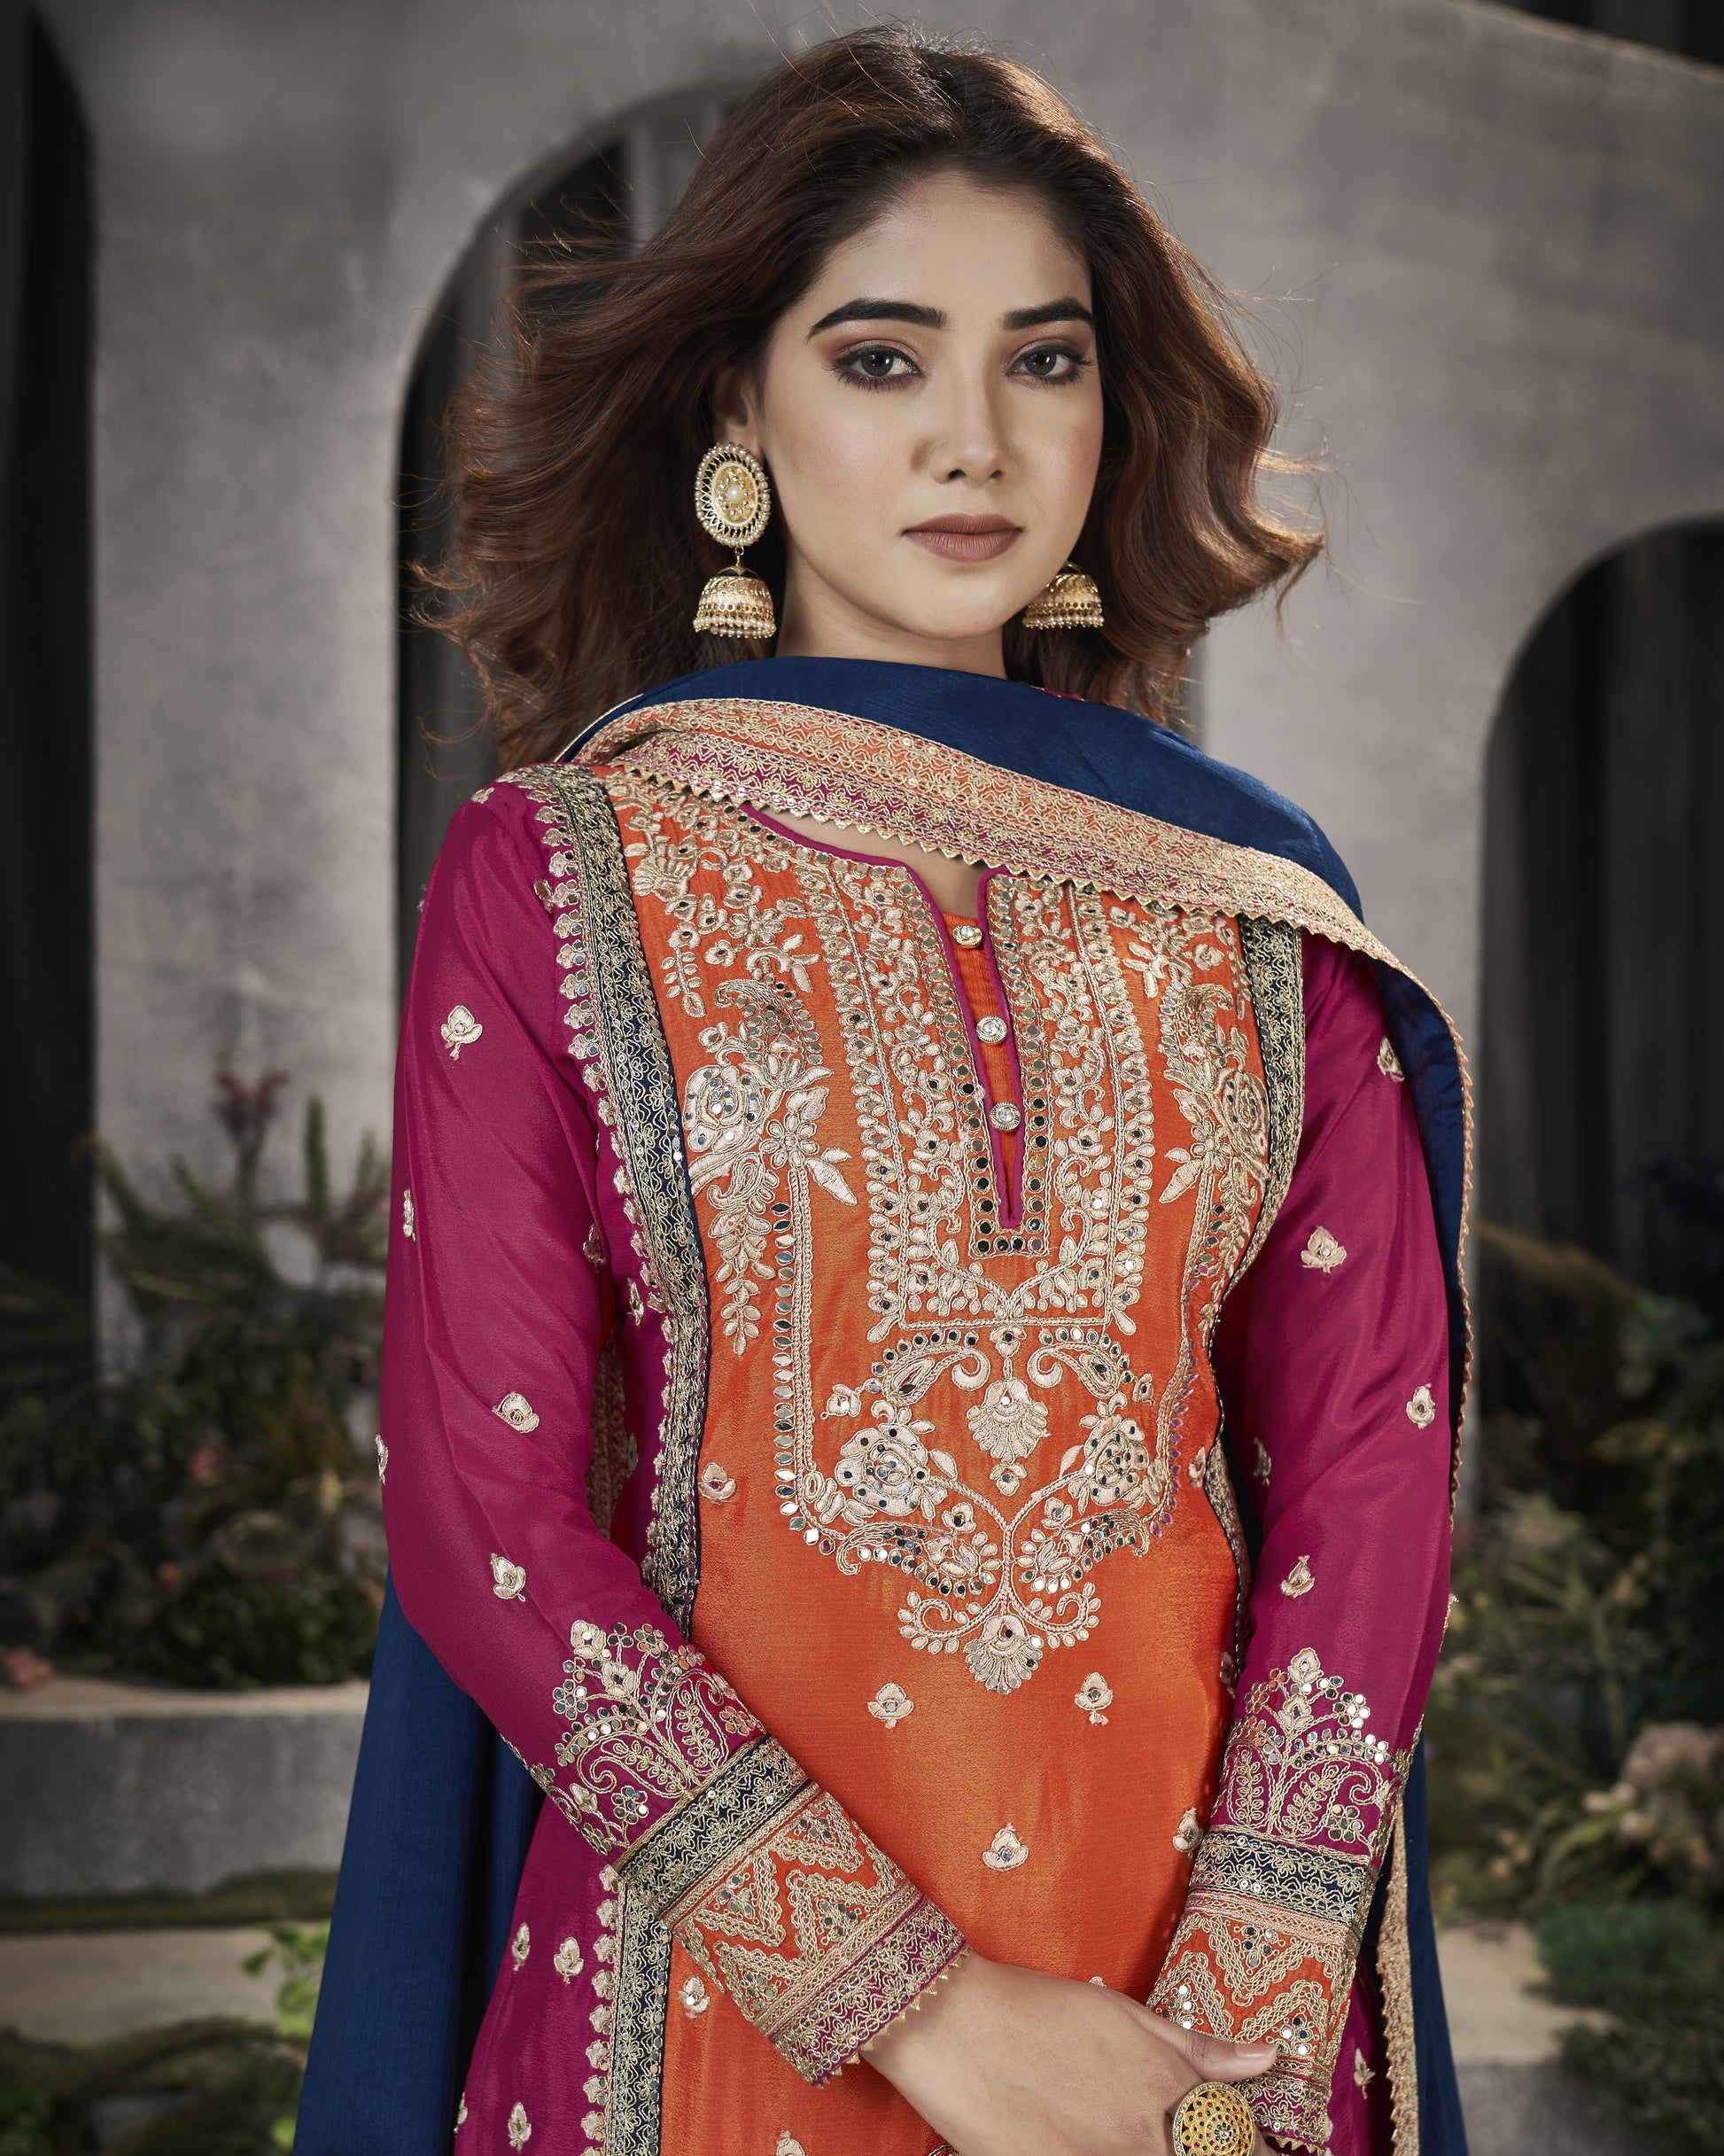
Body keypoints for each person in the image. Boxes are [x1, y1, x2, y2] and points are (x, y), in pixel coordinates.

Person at [298, 27, 1469, 2156]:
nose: (974, 439)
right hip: (727, 1996)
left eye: (1043, 360)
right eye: (879, 357)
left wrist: (1233, 2017)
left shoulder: (1253, 903)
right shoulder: (563, 873)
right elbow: (486, 1511)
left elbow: (1372, 1454)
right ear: (737, 410)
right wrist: (920, 2006)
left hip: (1204, 2020)